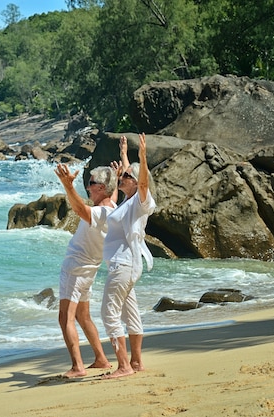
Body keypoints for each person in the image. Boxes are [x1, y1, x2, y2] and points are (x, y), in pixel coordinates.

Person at [54, 163, 117, 378]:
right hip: (89, 268)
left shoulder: (100, 213)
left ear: (101, 188)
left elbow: (80, 210)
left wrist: (67, 185)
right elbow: (112, 194)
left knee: (66, 318)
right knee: (83, 315)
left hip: (76, 268)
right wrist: (120, 166)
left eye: (91, 184)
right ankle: (101, 358)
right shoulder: (114, 210)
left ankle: (77, 366)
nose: (88, 188)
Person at [101, 133, 156, 379]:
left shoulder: (141, 202)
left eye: (126, 176)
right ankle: (135, 362)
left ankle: (123, 366)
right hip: (126, 264)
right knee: (129, 313)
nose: (121, 177)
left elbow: (142, 183)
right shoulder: (127, 201)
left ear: (136, 182)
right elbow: (132, 180)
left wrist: (142, 158)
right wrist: (124, 154)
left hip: (124, 264)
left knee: (109, 312)